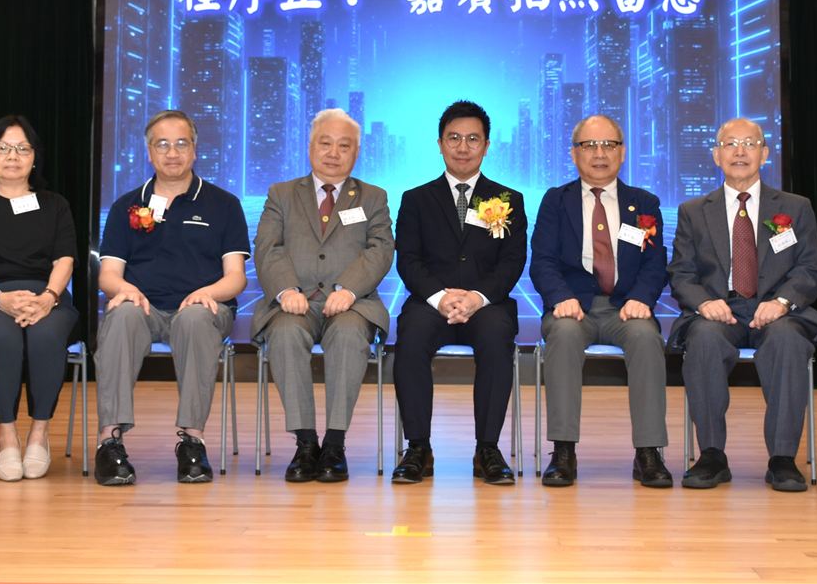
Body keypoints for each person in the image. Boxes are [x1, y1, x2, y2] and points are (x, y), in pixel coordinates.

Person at [669, 118, 817, 493]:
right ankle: (711, 456)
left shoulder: (795, 207)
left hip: (776, 311)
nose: (739, 151)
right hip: (719, 310)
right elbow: (681, 272)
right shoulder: (694, 210)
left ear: (764, 153)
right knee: (704, 339)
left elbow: (810, 267)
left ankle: (783, 459)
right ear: (716, 155)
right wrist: (704, 303)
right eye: (730, 144)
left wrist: (783, 301)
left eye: (750, 144)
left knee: (787, 341)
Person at [93, 110, 249, 486]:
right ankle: (109, 443)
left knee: (194, 318)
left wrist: (207, 293)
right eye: (162, 144)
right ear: (149, 152)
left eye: (181, 143)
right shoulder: (127, 205)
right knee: (121, 315)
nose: (172, 152)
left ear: (195, 149)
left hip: (203, 308)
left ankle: (192, 442)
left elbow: (236, 278)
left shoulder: (223, 204)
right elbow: (108, 275)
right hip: (144, 307)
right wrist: (125, 290)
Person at [530, 114, 672, 488]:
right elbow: (542, 260)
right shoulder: (556, 201)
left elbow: (655, 263)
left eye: (609, 145)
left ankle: (648, 452)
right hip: (573, 308)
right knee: (563, 335)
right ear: (574, 153)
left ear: (622, 152)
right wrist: (560, 297)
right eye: (589, 145)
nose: (599, 153)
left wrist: (641, 298)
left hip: (626, 308)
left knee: (646, 338)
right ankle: (563, 451)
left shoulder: (644, 203)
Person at [253, 109, 394, 483]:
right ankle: (305, 443)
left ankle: (334, 444)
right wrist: (286, 289)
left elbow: (381, 248)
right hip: (293, 302)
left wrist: (349, 289)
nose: (333, 153)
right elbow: (268, 246)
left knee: (348, 334)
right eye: (325, 143)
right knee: (285, 333)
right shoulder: (281, 194)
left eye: (344, 146)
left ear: (356, 152)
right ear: (310, 146)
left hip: (352, 304)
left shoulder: (373, 197)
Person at [391, 100, 526, 485]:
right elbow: (408, 260)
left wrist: (476, 298)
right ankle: (418, 448)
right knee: (411, 338)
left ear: (486, 145)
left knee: (497, 336)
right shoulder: (416, 199)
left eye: (472, 139)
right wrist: (441, 297)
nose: (462, 147)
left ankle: (488, 449)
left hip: (487, 304)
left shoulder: (507, 199)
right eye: (453, 138)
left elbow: (512, 261)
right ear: (439, 144)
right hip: (431, 303)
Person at [0, 115, 78, 481]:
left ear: (35, 157)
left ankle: (39, 434)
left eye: (23, 148)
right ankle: (6, 437)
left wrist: (48, 297)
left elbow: (65, 260)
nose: (13, 156)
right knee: (3, 335)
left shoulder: (55, 205)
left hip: (47, 297)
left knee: (46, 334)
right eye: (3, 148)